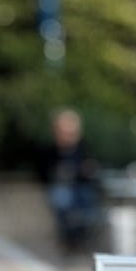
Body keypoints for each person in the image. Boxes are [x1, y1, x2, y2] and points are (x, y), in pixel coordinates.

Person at [38, 108, 100, 253]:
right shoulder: (50, 150)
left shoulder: (83, 147)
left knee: (87, 203)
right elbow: (45, 173)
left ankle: (80, 238)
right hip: (61, 188)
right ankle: (70, 239)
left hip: (82, 187)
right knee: (62, 198)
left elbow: (90, 170)